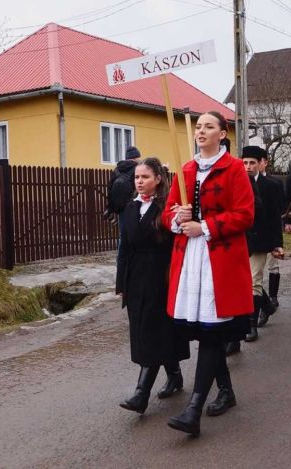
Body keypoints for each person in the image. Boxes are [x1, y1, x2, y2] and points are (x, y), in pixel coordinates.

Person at [162, 111, 254, 436]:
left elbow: (245, 215)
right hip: (190, 262)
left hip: (221, 260)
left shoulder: (235, 168)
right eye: (199, 127)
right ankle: (226, 391)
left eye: (209, 127)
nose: (201, 131)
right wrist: (178, 216)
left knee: (213, 330)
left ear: (223, 132)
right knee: (205, 331)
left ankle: (194, 409)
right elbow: (167, 214)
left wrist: (205, 226)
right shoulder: (185, 169)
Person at [117, 158, 190, 415]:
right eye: (137, 177)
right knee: (145, 330)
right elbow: (124, 247)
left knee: (153, 332)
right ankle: (175, 375)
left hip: (161, 276)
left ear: (158, 179)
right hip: (136, 277)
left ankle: (141, 394)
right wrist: (121, 283)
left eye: (145, 177)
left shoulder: (166, 208)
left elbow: (175, 242)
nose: (139, 182)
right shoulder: (129, 208)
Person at [241, 146, 284, 334]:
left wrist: (277, 244)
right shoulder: (237, 183)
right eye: (245, 163)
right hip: (240, 240)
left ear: (261, 163)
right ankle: (267, 306)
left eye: (252, 163)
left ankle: (251, 326)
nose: (248, 167)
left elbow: (275, 217)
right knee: (245, 280)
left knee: (253, 280)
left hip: (260, 241)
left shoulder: (271, 186)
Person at [106, 146, 141, 274]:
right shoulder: (138, 168)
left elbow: (110, 189)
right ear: (137, 157)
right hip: (135, 207)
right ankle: (134, 266)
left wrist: (110, 208)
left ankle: (120, 268)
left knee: (122, 237)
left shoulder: (117, 170)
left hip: (121, 209)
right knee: (135, 236)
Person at [258, 152, 285, 310]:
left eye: (256, 162)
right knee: (255, 274)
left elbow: (280, 208)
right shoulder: (244, 181)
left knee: (273, 265)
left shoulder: (275, 182)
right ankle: (265, 303)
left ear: (264, 163)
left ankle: (273, 297)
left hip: (271, 231)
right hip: (255, 235)